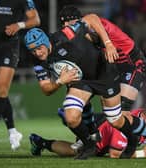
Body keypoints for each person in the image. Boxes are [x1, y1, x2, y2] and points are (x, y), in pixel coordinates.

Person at [24, 27, 146, 159]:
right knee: (70, 116)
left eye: (39, 48)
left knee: (115, 119)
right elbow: (46, 89)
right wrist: (59, 81)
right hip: (82, 80)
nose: (37, 53)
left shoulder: (62, 36)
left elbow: (92, 18)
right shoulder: (38, 61)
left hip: (103, 74)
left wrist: (107, 43)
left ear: (46, 42)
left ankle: (131, 138)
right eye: (33, 51)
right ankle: (89, 144)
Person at [58, 5, 146, 157]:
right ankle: (91, 134)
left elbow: (92, 18)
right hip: (111, 68)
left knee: (122, 114)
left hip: (131, 63)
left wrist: (108, 43)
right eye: (64, 24)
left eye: (70, 23)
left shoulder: (87, 22)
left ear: (78, 21)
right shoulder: (75, 38)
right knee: (83, 97)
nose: (67, 27)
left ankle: (136, 137)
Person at [0, 0, 40, 150]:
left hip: (9, 47)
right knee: (0, 93)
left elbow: (36, 19)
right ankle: (13, 131)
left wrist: (19, 25)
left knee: (2, 90)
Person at [29, 108, 146, 158]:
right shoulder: (128, 124)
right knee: (76, 150)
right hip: (98, 133)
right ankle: (40, 142)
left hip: (101, 121)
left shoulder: (139, 118)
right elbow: (114, 154)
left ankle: (75, 119)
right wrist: (142, 154)